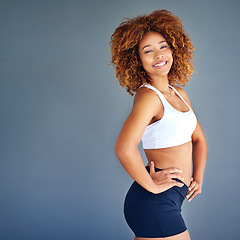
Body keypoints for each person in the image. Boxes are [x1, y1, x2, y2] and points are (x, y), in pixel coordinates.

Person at [110, 10, 207, 240]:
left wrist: (198, 178)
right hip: (155, 202)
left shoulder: (179, 93)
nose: (158, 55)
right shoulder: (148, 97)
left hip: (172, 198)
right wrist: (152, 187)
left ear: (174, 48)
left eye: (163, 46)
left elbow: (198, 138)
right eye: (148, 51)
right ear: (137, 60)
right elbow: (124, 148)